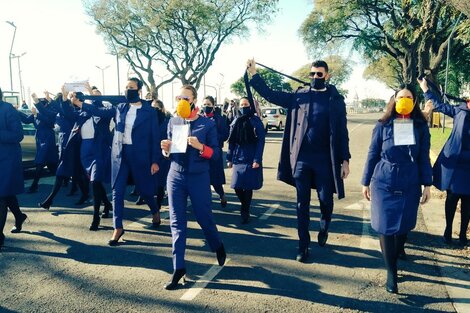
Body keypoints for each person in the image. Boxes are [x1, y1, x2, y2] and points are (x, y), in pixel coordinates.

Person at [247, 58, 350, 262]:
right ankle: (303, 245)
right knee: (301, 203)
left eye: (319, 74)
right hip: (302, 159)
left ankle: (324, 225)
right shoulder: (299, 96)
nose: (314, 77)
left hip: (325, 160)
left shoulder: (335, 100)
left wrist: (345, 160)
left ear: (327, 76)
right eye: (312, 74)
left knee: (325, 201)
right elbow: (271, 95)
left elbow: (342, 132)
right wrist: (254, 74)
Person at [361, 85, 432, 293]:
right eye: (401, 97)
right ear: (394, 100)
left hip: (410, 181)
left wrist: (427, 184)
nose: (404, 100)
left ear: (415, 101)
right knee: (384, 226)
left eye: (408, 97)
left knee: (403, 225)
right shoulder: (383, 125)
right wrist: (365, 181)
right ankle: (391, 273)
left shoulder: (420, 126)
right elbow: (372, 153)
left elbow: (423, 157)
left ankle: (399, 248)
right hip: (384, 181)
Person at [81, 77, 161, 245]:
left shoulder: (149, 111)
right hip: (119, 154)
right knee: (117, 191)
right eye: (126, 87)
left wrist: (155, 160)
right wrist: (81, 103)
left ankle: (155, 211)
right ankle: (117, 228)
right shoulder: (120, 108)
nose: (127, 90)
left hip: (140, 155)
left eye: (131, 87)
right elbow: (100, 112)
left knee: (145, 190)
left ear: (138, 90)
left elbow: (155, 137)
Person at [161, 85, 226, 290]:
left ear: (193, 100)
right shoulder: (173, 121)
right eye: (178, 97)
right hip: (175, 176)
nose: (181, 100)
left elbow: (216, 154)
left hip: (198, 177)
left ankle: (217, 245)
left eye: (185, 97)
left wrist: (200, 147)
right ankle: (178, 267)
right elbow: (170, 152)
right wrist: (166, 150)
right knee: (176, 222)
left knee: (203, 217)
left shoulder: (206, 124)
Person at [419, 78, 470, 246]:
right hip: (456, 164)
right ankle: (448, 230)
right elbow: (438, 105)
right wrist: (426, 90)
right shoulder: (459, 110)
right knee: (452, 197)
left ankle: (463, 234)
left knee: (468, 201)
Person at [71, 83, 113, 230]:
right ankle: (107, 204)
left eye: (97, 94)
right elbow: (65, 112)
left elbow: (97, 108)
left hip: (100, 149)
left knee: (95, 181)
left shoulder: (104, 109)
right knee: (96, 181)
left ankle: (96, 217)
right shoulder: (83, 112)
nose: (93, 96)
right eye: (91, 94)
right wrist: (65, 96)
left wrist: (91, 94)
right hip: (85, 150)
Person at [39, 89, 90, 209]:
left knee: (61, 173)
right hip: (64, 145)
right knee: (76, 174)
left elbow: (64, 109)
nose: (70, 98)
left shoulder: (75, 111)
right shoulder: (61, 112)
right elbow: (46, 112)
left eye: (72, 96)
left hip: (72, 145)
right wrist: (38, 101)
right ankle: (91, 196)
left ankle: (49, 201)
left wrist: (64, 98)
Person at [226, 97, 265, 223]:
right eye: (241, 105)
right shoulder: (235, 121)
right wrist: (229, 157)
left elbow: (261, 141)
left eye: (246, 104)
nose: (243, 107)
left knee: (248, 187)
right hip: (238, 158)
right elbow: (231, 141)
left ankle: (245, 210)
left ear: (251, 106)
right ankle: (245, 204)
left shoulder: (256, 121)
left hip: (251, 157)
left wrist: (257, 159)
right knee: (237, 186)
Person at [0, 87, 28, 250]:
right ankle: (19, 216)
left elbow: (18, 134)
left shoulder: (7, 109)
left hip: (7, 160)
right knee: (6, 193)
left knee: (2, 196)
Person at [18, 93, 59, 193]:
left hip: (47, 139)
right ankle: (65, 181)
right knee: (52, 164)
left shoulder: (49, 113)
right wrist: (16, 112)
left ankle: (34, 185)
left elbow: (50, 123)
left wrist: (37, 115)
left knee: (40, 163)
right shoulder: (36, 114)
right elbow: (26, 120)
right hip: (40, 139)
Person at [202, 96, 229, 207]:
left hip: (214, 153)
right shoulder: (199, 118)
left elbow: (225, 135)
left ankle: (221, 195)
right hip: (201, 153)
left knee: (215, 179)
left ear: (213, 106)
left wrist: (213, 137)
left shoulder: (219, 119)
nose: (206, 107)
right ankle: (206, 203)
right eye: (204, 104)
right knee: (203, 179)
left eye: (208, 104)